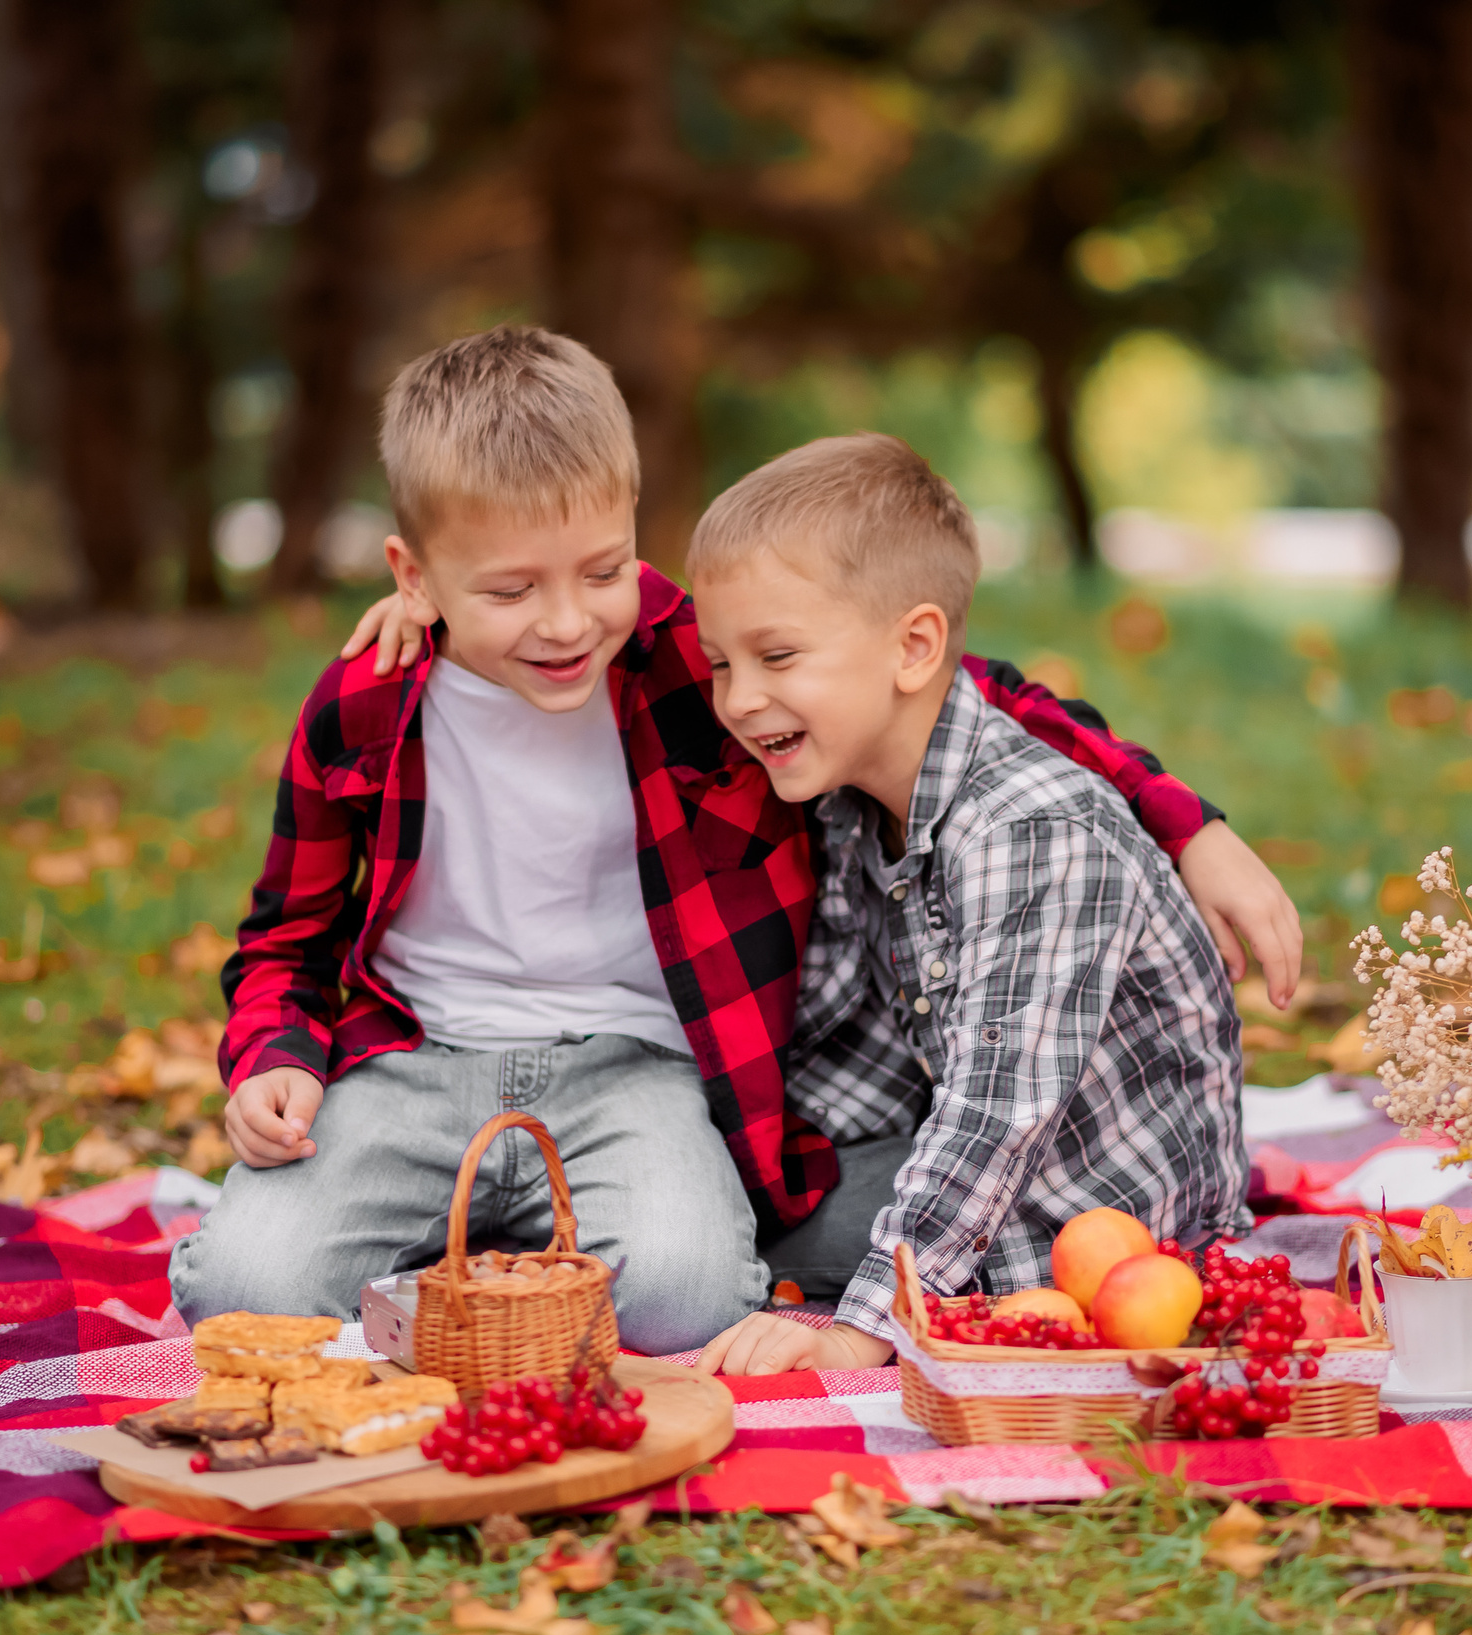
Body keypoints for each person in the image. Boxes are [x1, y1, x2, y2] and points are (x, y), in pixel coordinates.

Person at [172, 324, 1296, 1352]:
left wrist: (1184, 820)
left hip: (638, 1066)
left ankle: (528, 1262)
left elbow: (964, 691)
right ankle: (471, 1263)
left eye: (603, 569)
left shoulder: (684, 655)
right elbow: (288, 934)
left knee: (686, 1296)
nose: (568, 622)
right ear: (416, 578)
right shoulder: (367, 705)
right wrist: (273, 1056)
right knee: (244, 1290)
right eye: (510, 589)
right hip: (408, 1058)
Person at [686, 435, 1250, 1377]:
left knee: (700, 1270)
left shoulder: (1032, 828)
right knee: (699, 1225)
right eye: (719, 664)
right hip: (973, 1170)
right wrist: (746, 1167)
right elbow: (857, 1051)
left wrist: (863, 1329)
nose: (740, 700)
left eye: (775, 654)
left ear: (914, 648)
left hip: (1092, 1226)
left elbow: (999, 1111)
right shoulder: (857, 803)